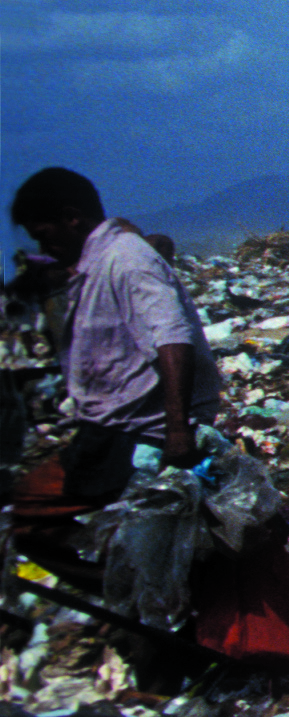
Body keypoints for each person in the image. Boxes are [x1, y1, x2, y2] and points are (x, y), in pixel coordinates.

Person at [7, 168, 216, 511]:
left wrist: (177, 430)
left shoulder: (127, 259)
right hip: (107, 429)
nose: (45, 247)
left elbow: (172, 337)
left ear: (71, 218)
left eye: (45, 235)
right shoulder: (97, 263)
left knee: (33, 517)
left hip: (137, 433)